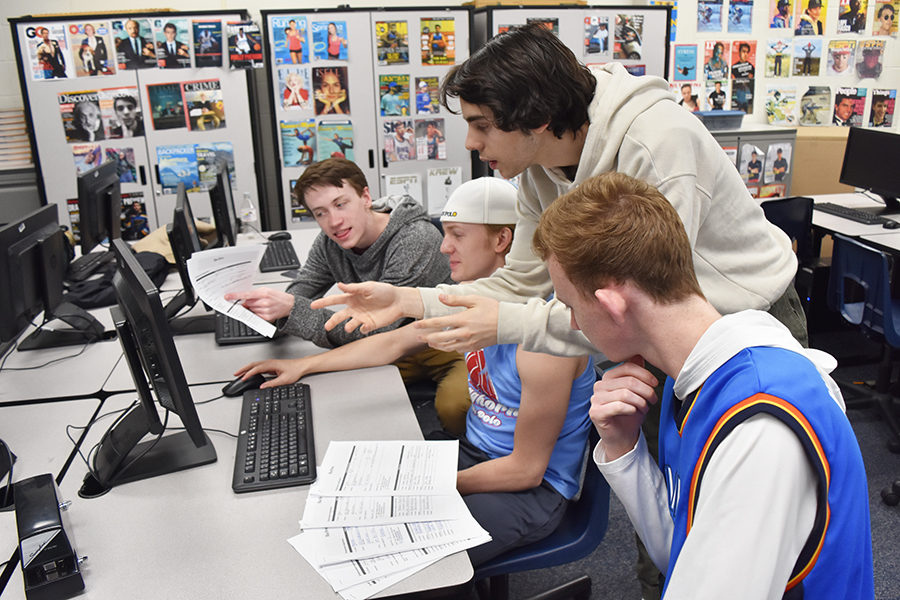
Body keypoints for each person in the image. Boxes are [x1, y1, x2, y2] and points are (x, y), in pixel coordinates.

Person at [311, 26, 807, 596]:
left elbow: (643, 301)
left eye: (481, 124)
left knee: (745, 523)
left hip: (737, 321)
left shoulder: (654, 142)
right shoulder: (539, 164)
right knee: (664, 505)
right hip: (640, 335)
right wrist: (409, 299)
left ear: (537, 118)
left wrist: (505, 323)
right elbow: (525, 278)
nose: (471, 143)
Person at [532, 170, 873, 600]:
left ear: (611, 305)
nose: (574, 324)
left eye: (571, 306)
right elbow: (683, 552)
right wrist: (624, 449)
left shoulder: (758, 426)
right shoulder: (692, 371)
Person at [235, 177, 595, 566]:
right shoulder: (474, 300)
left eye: (456, 234)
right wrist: (301, 365)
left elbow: (525, 470)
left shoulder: (542, 336)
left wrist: (421, 487)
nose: (444, 247)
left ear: (502, 240)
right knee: (347, 499)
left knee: (399, 561)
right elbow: (393, 342)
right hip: (476, 454)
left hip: (530, 490)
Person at [225, 158, 469, 433]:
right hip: (393, 346)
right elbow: (302, 291)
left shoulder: (414, 239)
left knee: (454, 407)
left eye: (341, 204)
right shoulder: (330, 242)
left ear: (365, 196)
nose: (334, 222)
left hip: (445, 343)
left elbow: (373, 332)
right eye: (320, 213)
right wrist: (268, 309)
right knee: (331, 403)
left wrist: (292, 309)